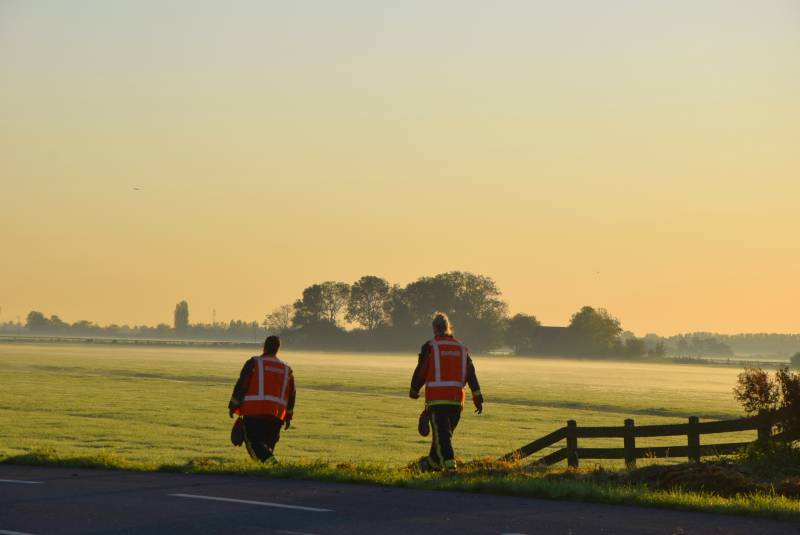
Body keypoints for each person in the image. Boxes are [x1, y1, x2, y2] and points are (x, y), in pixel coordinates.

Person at [409, 312, 484, 470]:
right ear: (448, 327)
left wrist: (414, 389)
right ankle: (430, 465)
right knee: (442, 437)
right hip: (456, 401)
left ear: (434, 328)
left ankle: (450, 468)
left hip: (437, 401)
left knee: (443, 438)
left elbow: (422, 370)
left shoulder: (430, 346)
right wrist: (477, 396)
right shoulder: (461, 348)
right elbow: (471, 373)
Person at [228, 335, 295, 463]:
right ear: (278, 349)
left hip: (254, 412)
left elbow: (242, 384)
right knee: (267, 447)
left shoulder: (254, 362)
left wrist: (233, 405)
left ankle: (275, 466)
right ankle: (269, 471)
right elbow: (291, 395)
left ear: (264, 346)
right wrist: (288, 416)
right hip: (276, 415)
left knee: (255, 445)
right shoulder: (287, 369)